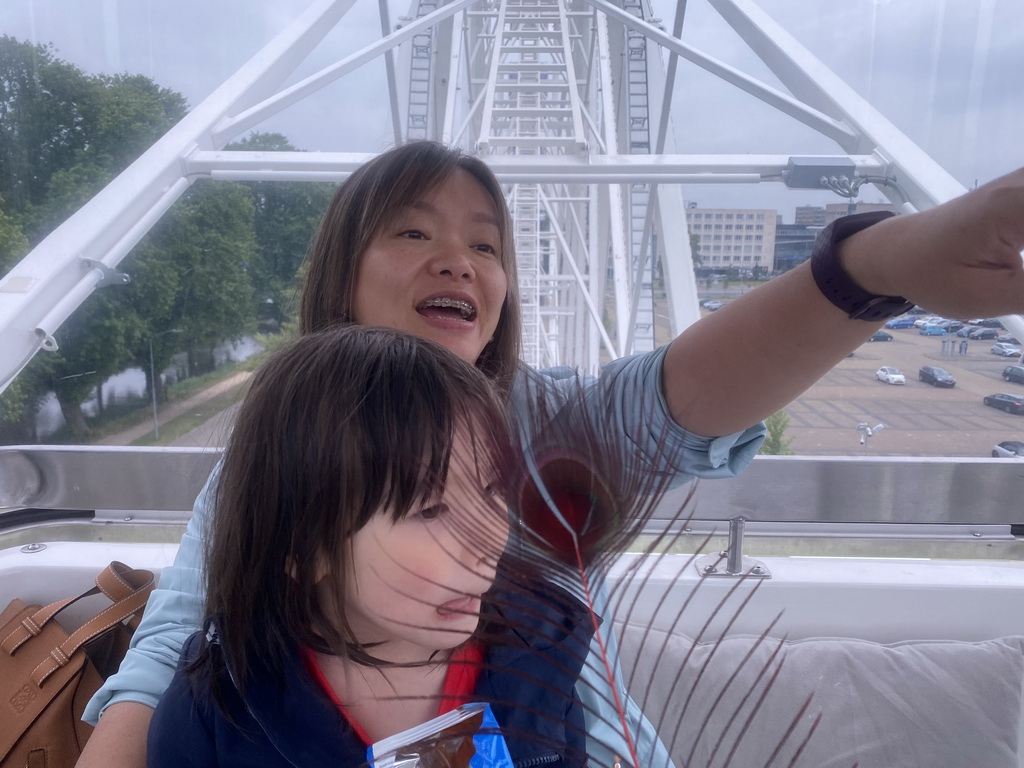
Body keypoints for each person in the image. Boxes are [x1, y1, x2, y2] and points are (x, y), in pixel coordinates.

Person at [78, 140, 1024, 768]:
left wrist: (877, 268)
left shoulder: (551, 424)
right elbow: (171, 650)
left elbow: (683, 397)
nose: (461, 261)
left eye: (487, 246)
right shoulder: (270, 470)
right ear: (339, 272)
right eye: (413, 231)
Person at [146, 325, 596, 767]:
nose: (486, 537)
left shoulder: (538, 660)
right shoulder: (217, 715)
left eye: (494, 488)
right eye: (431, 510)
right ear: (304, 549)